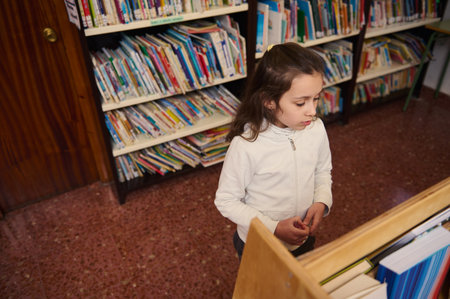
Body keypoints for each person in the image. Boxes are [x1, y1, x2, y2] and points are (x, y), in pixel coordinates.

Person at [214, 42, 333, 260]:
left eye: (316, 98)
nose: (312, 110)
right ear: (268, 101)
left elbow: (323, 170)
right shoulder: (247, 145)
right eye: (300, 103)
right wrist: (274, 227)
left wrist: (322, 200)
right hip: (259, 244)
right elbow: (226, 201)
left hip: (301, 240)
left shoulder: (316, 129)